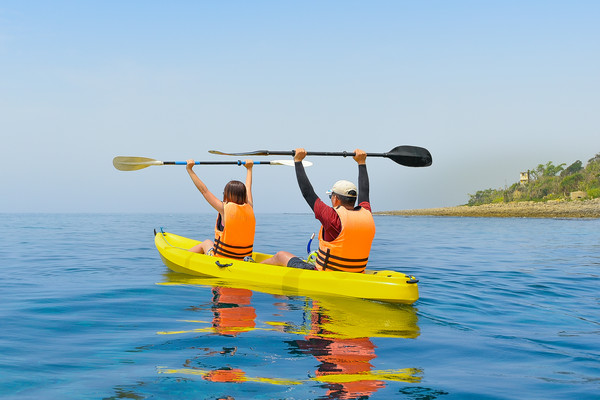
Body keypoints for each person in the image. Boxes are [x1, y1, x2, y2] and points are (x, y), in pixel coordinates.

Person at [261, 148, 375, 272]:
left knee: (280, 255)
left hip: (326, 274)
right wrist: (361, 163)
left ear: (336, 198)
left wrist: (298, 161)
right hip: (357, 272)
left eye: (331, 196)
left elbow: (307, 192)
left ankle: (253, 268)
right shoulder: (366, 212)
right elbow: (365, 191)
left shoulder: (332, 217)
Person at [185, 159, 256, 260]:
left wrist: (189, 169)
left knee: (206, 243)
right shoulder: (250, 206)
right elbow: (248, 187)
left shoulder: (223, 209)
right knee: (209, 243)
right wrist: (249, 169)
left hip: (222, 258)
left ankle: (182, 256)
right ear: (244, 195)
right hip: (243, 258)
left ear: (227, 194)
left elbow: (204, 191)